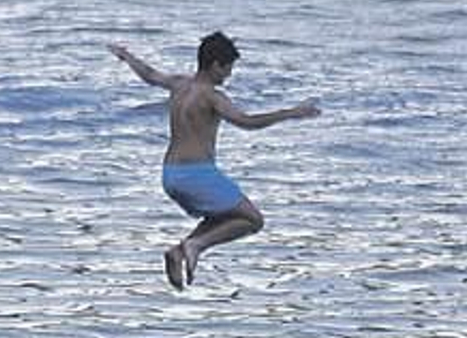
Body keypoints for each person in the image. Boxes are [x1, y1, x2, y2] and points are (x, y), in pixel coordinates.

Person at [109, 31, 319, 290]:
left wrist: (127, 56)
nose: (228, 75)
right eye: (228, 68)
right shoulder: (212, 96)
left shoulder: (178, 84)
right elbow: (247, 122)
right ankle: (194, 245)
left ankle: (181, 251)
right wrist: (291, 113)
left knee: (223, 217)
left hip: (170, 175)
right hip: (197, 174)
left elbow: (149, 75)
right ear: (216, 65)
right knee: (252, 220)